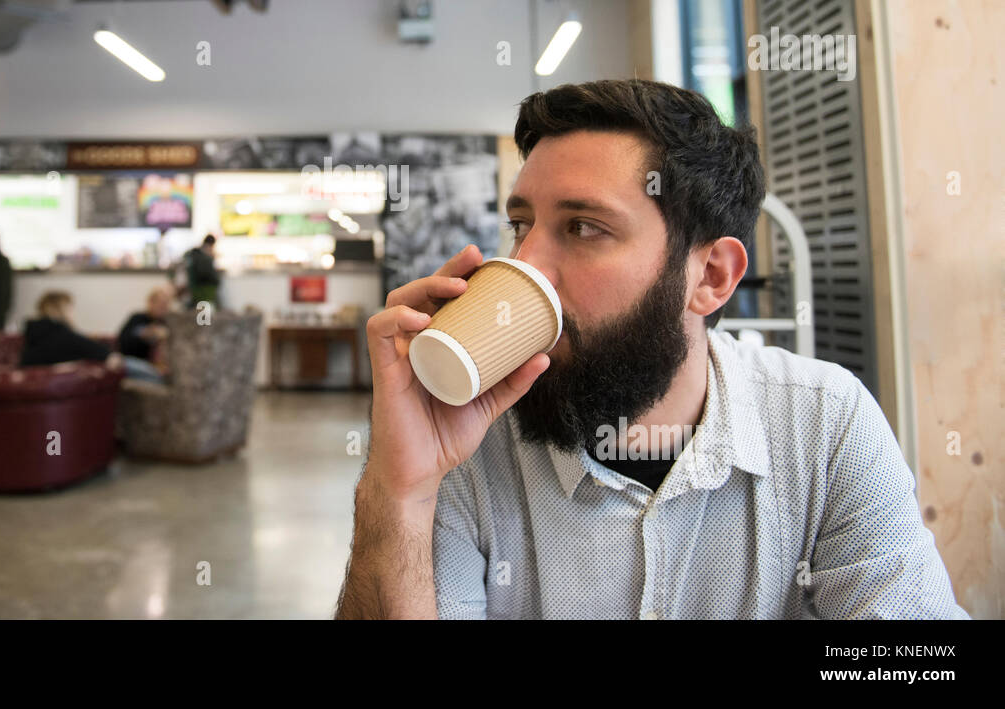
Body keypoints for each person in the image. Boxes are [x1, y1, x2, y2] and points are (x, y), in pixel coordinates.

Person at [336, 79, 969, 620]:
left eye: (584, 228)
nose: (524, 265)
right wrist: (400, 492)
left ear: (711, 277)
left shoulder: (824, 423)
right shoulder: (468, 439)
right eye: (521, 226)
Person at [20, 291, 110, 367]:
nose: (71, 314)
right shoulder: (57, 332)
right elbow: (98, 350)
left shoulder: (34, 331)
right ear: (56, 310)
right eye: (69, 309)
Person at [115, 284, 174, 383]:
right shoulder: (137, 318)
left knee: (158, 377)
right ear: (150, 302)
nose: (163, 308)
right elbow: (123, 342)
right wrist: (144, 335)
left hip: (156, 368)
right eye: (160, 304)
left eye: (165, 305)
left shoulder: (169, 324)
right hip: (133, 361)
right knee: (122, 363)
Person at [184, 234, 221, 309]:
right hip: (204, 290)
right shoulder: (206, 258)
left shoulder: (193, 253)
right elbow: (208, 275)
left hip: (193, 288)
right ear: (211, 245)